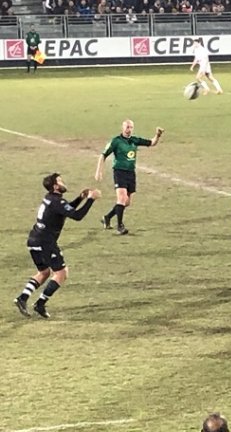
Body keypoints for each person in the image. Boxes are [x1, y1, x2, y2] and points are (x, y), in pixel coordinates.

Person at [14, 173, 100, 319]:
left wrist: (80, 198)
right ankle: (40, 304)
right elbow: (77, 216)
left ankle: (22, 298)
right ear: (55, 186)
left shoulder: (50, 199)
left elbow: (65, 210)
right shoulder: (57, 202)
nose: (63, 183)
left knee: (44, 272)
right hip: (45, 242)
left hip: (34, 239)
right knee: (61, 273)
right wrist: (91, 199)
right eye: (60, 181)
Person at [95, 119, 164, 235]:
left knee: (126, 202)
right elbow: (103, 155)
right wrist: (98, 171)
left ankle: (107, 217)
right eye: (127, 127)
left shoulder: (134, 140)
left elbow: (152, 143)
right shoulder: (116, 141)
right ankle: (120, 226)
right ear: (122, 128)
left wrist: (158, 135)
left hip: (131, 173)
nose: (129, 130)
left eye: (131, 127)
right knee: (121, 199)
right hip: (119, 172)